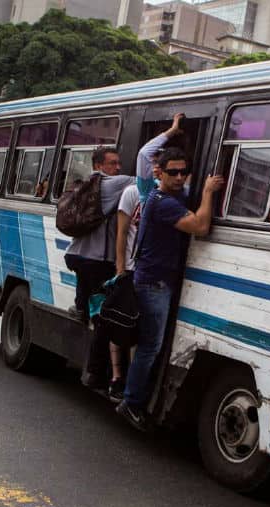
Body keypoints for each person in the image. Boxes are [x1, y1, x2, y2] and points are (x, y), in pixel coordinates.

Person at [116, 148, 225, 429]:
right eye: (172, 172)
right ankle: (132, 403)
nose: (179, 177)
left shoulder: (174, 197)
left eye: (183, 172)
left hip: (159, 280)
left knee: (150, 344)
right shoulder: (162, 201)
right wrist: (209, 192)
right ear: (159, 173)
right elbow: (200, 226)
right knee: (150, 346)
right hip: (153, 283)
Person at [108, 114, 185, 402]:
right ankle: (125, 389)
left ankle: (129, 388)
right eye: (161, 166)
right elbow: (143, 154)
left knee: (141, 337)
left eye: (181, 172)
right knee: (134, 334)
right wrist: (171, 131)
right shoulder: (146, 192)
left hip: (146, 271)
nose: (176, 177)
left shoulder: (178, 193)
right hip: (138, 271)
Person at [64, 147, 134, 389]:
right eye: (113, 163)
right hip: (96, 262)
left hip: (77, 256)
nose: (118, 168)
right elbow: (145, 180)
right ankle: (94, 373)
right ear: (99, 166)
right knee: (103, 319)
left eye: (118, 163)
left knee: (90, 307)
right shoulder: (112, 184)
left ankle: (81, 307)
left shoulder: (87, 185)